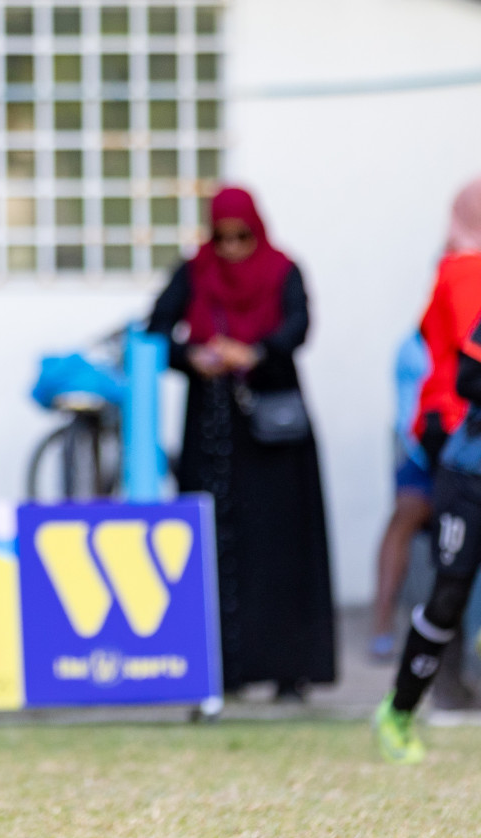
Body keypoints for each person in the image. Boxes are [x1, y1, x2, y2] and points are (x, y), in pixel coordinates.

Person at [147, 185, 336, 701]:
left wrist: (253, 351)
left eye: (242, 237)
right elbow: (157, 329)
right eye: (223, 237)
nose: (231, 248)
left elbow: (298, 326)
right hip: (213, 431)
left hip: (273, 431)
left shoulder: (282, 270)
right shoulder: (196, 270)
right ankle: (222, 669)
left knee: (281, 544)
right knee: (216, 542)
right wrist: (196, 356)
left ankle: (288, 669)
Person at [375, 176, 481, 763]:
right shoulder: (463, 274)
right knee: (447, 595)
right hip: (465, 467)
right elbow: (465, 377)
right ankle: (397, 712)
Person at [368, 330, 436, 662]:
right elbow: (412, 423)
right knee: (405, 514)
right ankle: (382, 623)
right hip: (427, 456)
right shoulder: (414, 348)